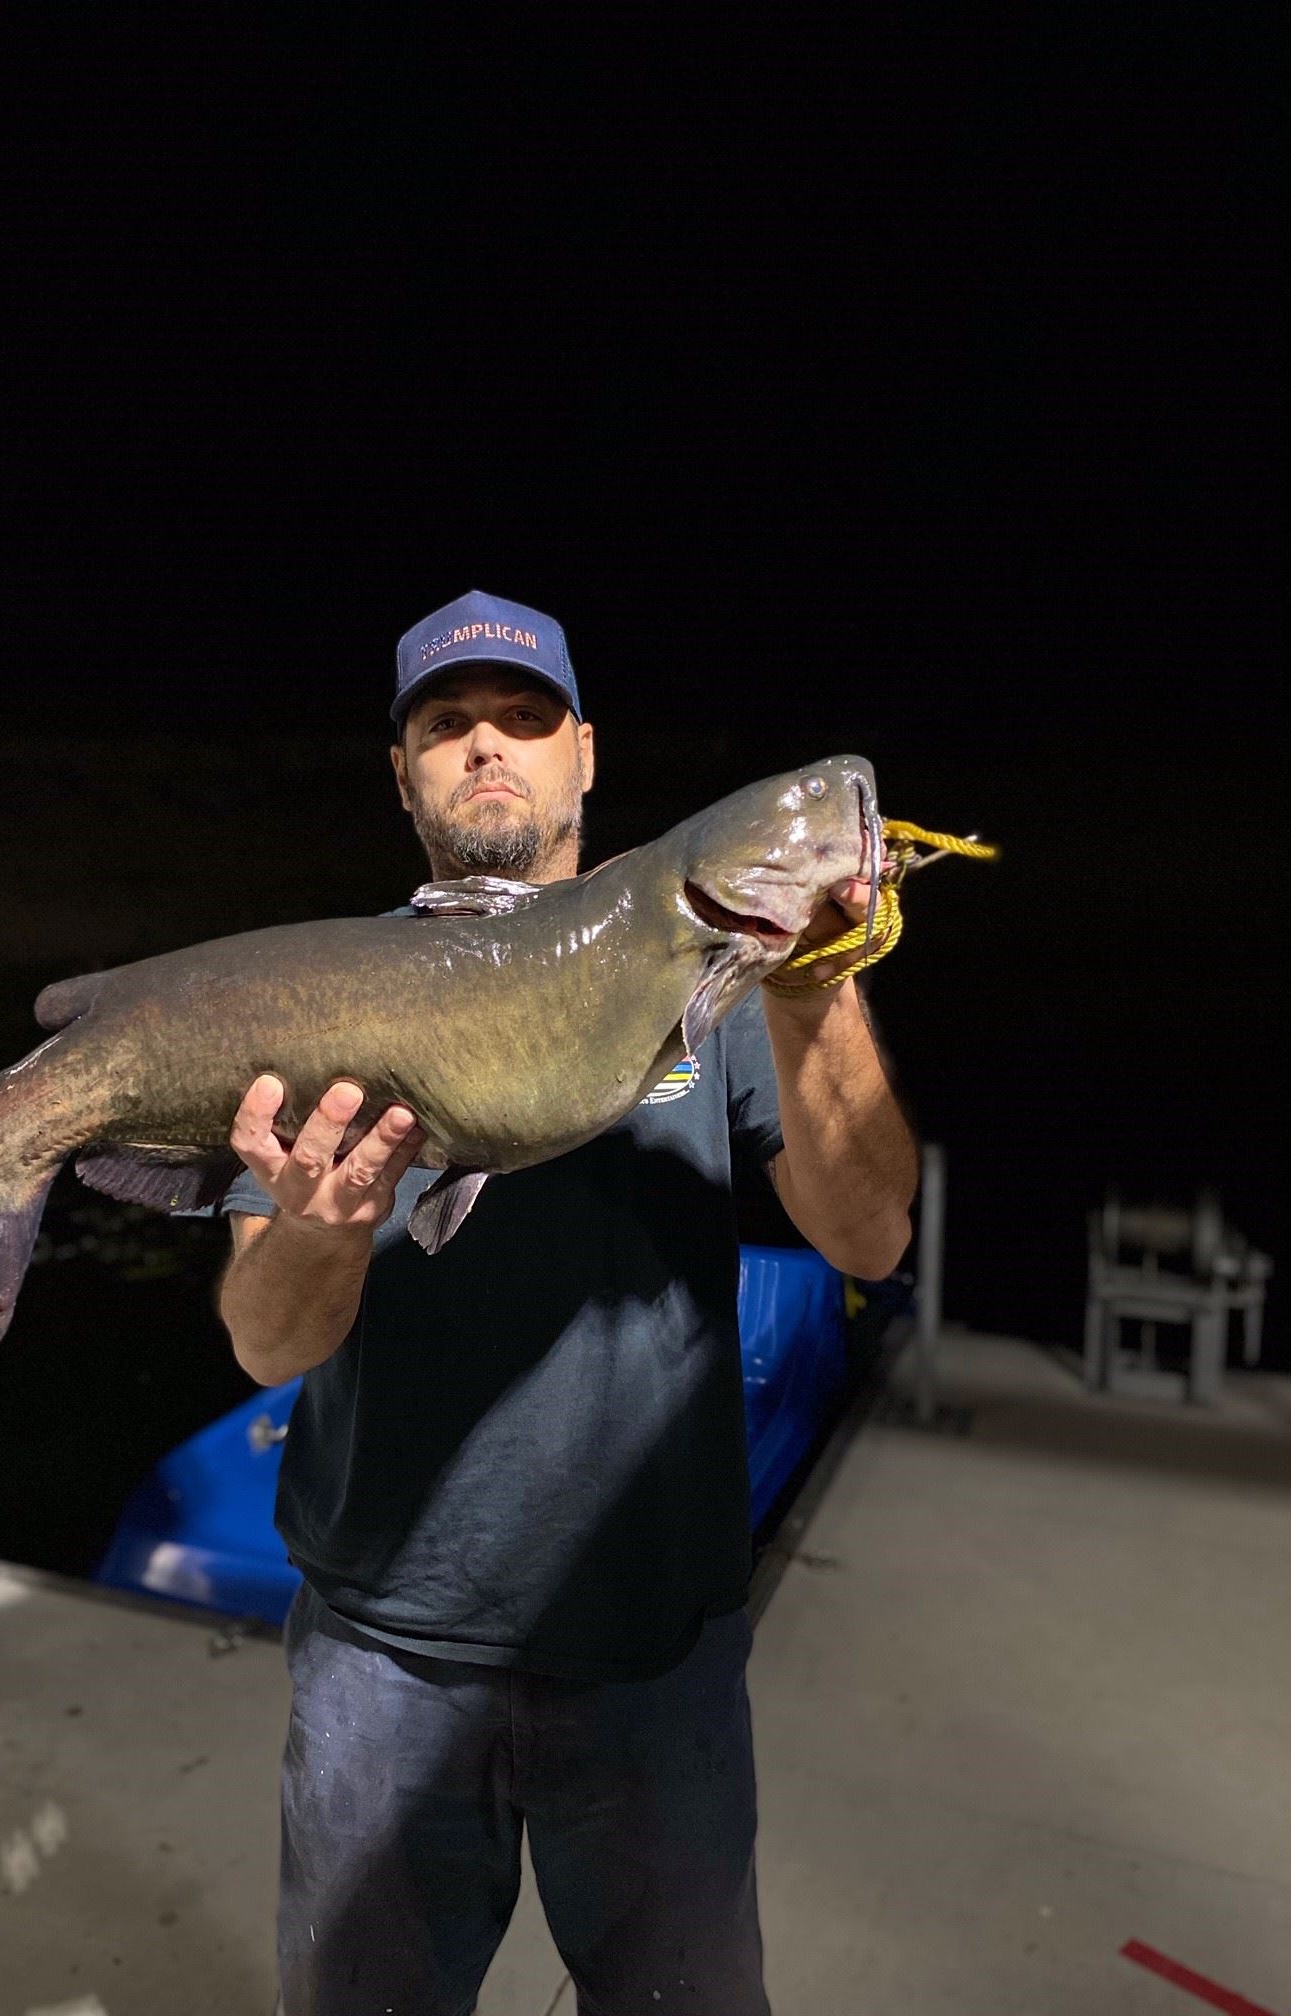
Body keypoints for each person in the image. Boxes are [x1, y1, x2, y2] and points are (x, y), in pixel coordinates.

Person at [215, 589, 917, 2015]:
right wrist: (320, 1236)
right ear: (402, 772)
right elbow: (263, 1343)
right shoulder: (331, 992)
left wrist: (810, 988)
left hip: (657, 1647)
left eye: (525, 718)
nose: (488, 747)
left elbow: (870, 1235)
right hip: (382, 1653)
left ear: (585, 753)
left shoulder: (709, 978)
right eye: (446, 723)